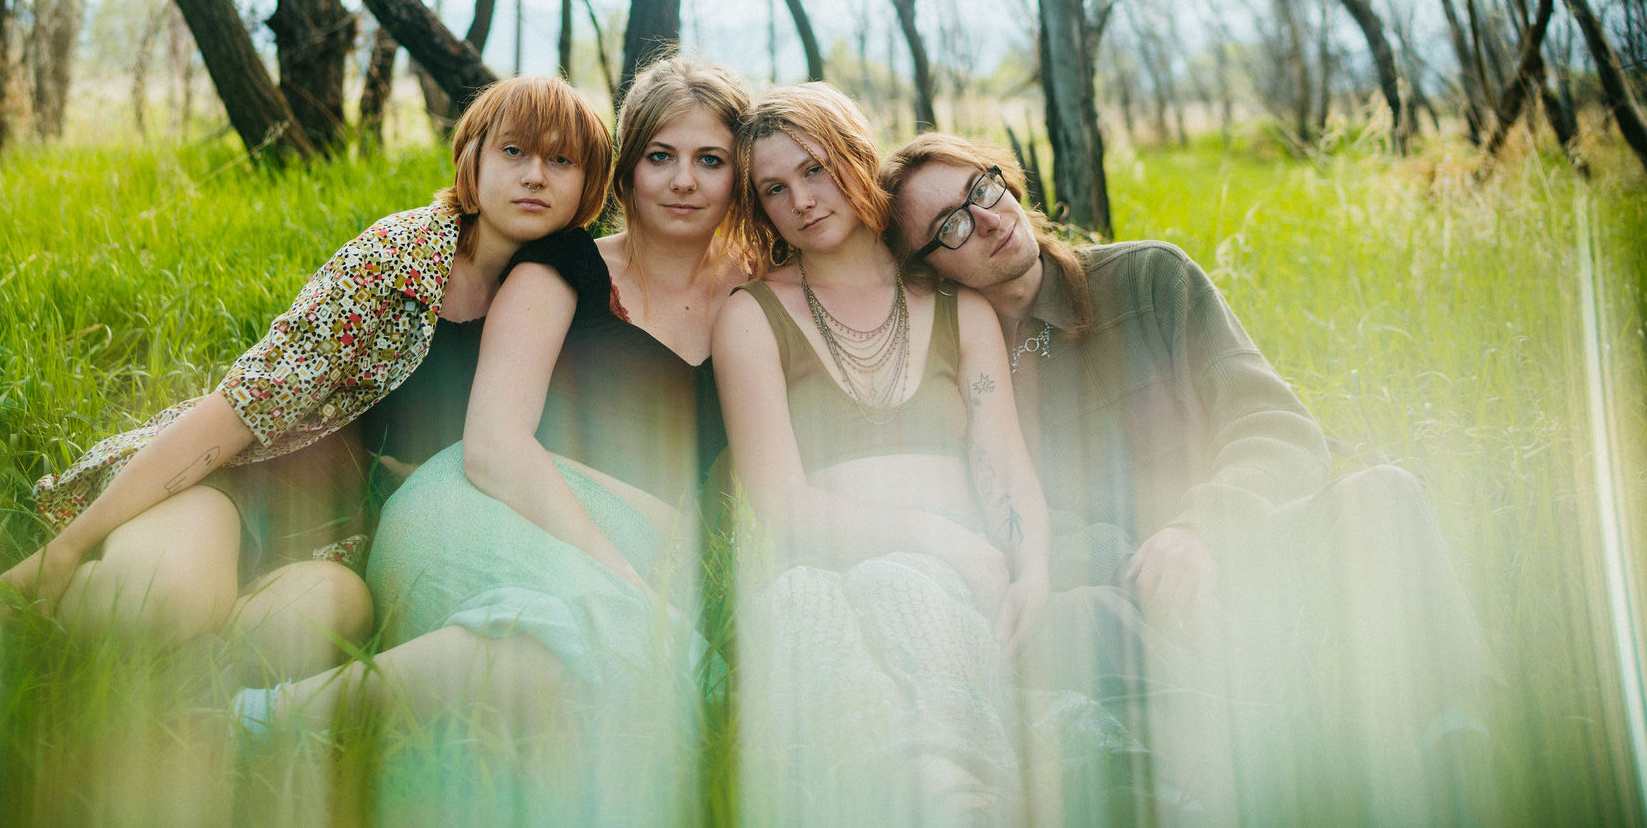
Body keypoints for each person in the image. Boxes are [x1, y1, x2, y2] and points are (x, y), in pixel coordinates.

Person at [881, 132, 1497, 823]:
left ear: (1008, 181)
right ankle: (1262, 765)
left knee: (1383, 494)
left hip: (1255, 551)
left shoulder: (1149, 279)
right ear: (930, 270)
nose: (988, 218)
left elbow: (1276, 427)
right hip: (1129, 611)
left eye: (982, 188)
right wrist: (1133, 568)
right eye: (952, 226)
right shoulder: (965, 371)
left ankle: (1450, 756)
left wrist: (1202, 530)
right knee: (1063, 631)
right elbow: (1003, 523)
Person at [236, 57, 750, 822]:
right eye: (660, 157)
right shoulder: (562, 266)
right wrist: (628, 582)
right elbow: (494, 446)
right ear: (627, 170)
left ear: (739, 174)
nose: (683, 181)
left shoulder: (758, 295)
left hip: (630, 552)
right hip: (480, 510)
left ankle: (278, 715)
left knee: (585, 688)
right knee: (632, 661)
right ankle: (277, 722)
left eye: (710, 160)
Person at [0, 76, 612, 688]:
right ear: (471, 160)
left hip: (337, 545)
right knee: (156, 607)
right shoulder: (399, 258)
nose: (535, 175)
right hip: (241, 487)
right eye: (514, 151)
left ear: (588, 187)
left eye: (561, 160)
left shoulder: (565, 297)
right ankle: (19, 618)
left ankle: (182, 690)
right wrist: (70, 544)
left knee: (300, 637)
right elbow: (242, 406)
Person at [710, 84, 1055, 824]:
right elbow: (782, 502)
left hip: (954, 576)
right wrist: (935, 537)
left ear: (855, 159)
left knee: (899, 591)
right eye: (774, 188)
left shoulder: (957, 307)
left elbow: (1004, 463)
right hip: (826, 566)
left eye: (815, 170)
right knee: (797, 605)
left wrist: (1033, 570)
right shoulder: (751, 316)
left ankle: (948, 798)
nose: (801, 199)